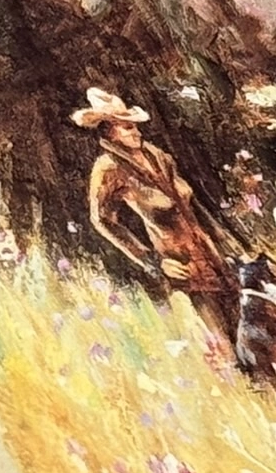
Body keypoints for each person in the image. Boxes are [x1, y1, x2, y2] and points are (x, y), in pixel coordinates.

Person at [70, 88, 242, 350]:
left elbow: (194, 207)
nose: (137, 132)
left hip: (213, 256)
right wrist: (152, 261)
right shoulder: (108, 169)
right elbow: (102, 220)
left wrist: (230, 246)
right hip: (181, 267)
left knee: (248, 333)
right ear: (109, 132)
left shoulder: (158, 156)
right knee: (220, 346)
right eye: (128, 127)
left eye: (136, 126)